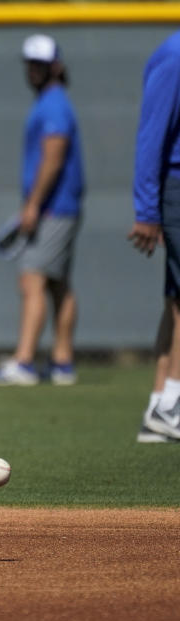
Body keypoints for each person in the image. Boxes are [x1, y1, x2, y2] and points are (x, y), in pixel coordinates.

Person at [0, 34, 85, 386]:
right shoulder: (50, 101)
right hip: (57, 206)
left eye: (40, 64)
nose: (33, 70)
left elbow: (54, 156)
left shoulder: (55, 103)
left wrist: (33, 205)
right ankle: (62, 362)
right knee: (58, 284)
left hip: (52, 208)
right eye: (30, 63)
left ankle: (25, 362)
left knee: (31, 279)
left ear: (55, 66)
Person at [128, 30, 180, 444]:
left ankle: (161, 406)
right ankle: (173, 407)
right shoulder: (176, 53)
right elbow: (152, 133)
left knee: (176, 300)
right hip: (177, 185)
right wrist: (146, 210)